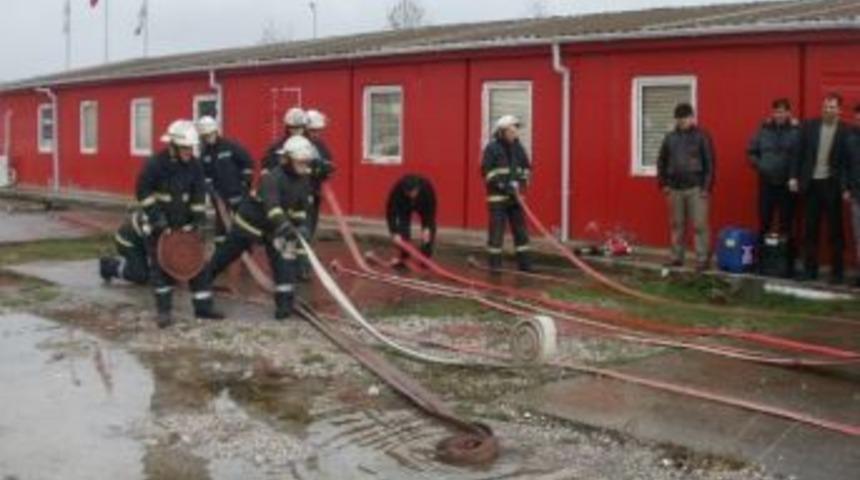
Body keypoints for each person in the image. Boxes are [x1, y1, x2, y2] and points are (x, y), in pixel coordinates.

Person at [207, 135, 315, 320]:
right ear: (287, 159)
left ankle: (284, 307)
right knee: (224, 257)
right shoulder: (272, 179)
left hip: (275, 230)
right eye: (300, 162)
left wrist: (303, 227)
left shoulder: (304, 180)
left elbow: (302, 209)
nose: (304, 166)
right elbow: (272, 208)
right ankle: (202, 283)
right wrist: (286, 225)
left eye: (306, 162)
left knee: (284, 265)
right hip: (249, 225)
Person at [137, 119, 223, 328]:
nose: (188, 152)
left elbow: (198, 193)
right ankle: (164, 312)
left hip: (184, 226)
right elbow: (143, 193)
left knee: (196, 265)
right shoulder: (156, 164)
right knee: (162, 268)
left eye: (191, 148)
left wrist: (198, 221)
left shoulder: (194, 165)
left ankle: (203, 309)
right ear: (173, 146)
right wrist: (157, 219)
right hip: (160, 226)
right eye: (184, 148)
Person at [792, 93, 850, 284]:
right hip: (811, 185)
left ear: (839, 110)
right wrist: (794, 177)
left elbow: (847, 163)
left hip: (832, 185)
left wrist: (845, 187)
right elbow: (798, 153)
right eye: (825, 106)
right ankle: (810, 271)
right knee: (810, 230)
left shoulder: (846, 131)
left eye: (832, 107)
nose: (828, 110)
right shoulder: (809, 126)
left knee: (835, 231)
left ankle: (838, 273)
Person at [657, 102, 716, 272]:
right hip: (674, 188)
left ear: (692, 117)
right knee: (677, 225)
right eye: (679, 119)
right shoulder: (670, 137)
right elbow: (661, 161)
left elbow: (710, 164)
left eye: (685, 118)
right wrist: (664, 183)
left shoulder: (702, 136)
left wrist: (706, 187)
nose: (682, 121)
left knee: (699, 225)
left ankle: (702, 259)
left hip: (696, 188)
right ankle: (676, 258)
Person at [747, 98, 800, 277]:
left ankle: (787, 266)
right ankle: (762, 264)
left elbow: (801, 156)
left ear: (788, 113)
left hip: (787, 185)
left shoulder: (796, 131)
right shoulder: (763, 131)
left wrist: (794, 176)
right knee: (764, 223)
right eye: (776, 111)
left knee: (787, 226)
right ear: (772, 112)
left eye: (783, 111)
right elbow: (750, 152)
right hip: (767, 184)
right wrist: (760, 165)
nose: (779, 114)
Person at [481, 114, 532, 273]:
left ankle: (525, 265)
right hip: (498, 198)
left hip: (516, 198)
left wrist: (521, 182)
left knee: (521, 232)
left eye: (516, 129)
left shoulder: (519, 148)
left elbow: (526, 168)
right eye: (512, 130)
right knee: (496, 233)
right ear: (502, 132)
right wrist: (503, 185)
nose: (515, 132)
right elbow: (487, 172)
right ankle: (495, 267)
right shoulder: (492, 148)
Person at [196, 116, 254, 245]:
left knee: (243, 224)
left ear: (216, 131)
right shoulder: (204, 154)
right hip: (219, 197)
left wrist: (245, 184)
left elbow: (248, 164)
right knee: (221, 227)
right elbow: (203, 175)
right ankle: (221, 252)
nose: (208, 138)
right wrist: (209, 188)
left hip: (238, 194)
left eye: (210, 134)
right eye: (205, 136)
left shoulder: (230, 146)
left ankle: (245, 251)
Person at [386, 174, 437, 265]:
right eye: (408, 193)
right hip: (404, 206)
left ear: (417, 189)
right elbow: (390, 213)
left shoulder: (426, 187)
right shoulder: (397, 190)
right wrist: (394, 233)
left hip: (423, 205)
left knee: (428, 232)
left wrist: (427, 228)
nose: (411, 195)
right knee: (403, 227)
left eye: (413, 193)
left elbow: (431, 210)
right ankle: (404, 256)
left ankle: (425, 258)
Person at [304, 109, 335, 239]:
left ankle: (307, 247)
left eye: (318, 131)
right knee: (302, 224)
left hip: (315, 191)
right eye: (313, 131)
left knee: (311, 223)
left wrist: (327, 167)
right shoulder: (298, 144)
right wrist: (315, 168)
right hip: (301, 192)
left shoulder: (319, 144)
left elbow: (328, 159)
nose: (316, 134)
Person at [98, 210, 150, 286]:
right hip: (126, 241)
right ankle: (108, 266)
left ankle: (139, 265)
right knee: (140, 275)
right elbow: (152, 246)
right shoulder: (151, 220)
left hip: (140, 239)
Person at [842, 103, 860, 287]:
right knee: (859, 237)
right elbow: (845, 166)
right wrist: (845, 187)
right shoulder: (850, 138)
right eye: (858, 116)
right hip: (857, 195)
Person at [261, 107, 306, 175]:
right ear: (287, 128)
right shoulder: (278, 146)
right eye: (293, 127)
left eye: (299, 127)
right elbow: (267, 166)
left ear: (304, 127)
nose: (296, 130)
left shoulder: (313, 144)